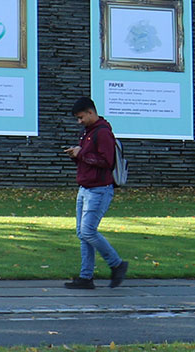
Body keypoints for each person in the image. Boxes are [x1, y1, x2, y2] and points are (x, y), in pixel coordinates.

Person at [63, 96, 128, 289]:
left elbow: (106, 162)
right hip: (86, 188)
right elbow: (89, 159)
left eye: (81, 117)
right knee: (82, 233)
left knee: (88, 231)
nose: (79, 121)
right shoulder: (88, 133)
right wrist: (76, 154)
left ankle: (117, 264)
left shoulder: (103, 133)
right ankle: (86, 277)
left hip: (99, 189)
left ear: (91, 112)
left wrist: (80, 153)